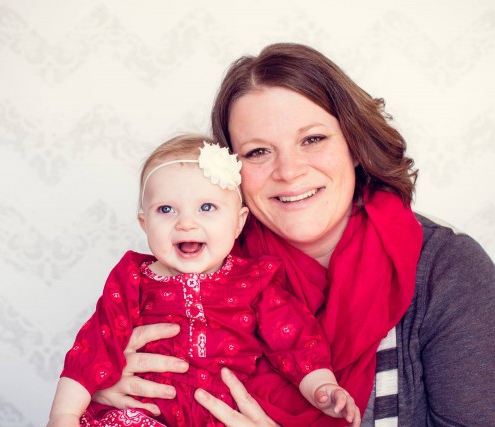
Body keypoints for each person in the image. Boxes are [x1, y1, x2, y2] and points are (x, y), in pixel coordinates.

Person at [87, 43, 495, 426]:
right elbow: (96, 367)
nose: (288, 171)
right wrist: (102, 383)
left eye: (312, 139)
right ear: (228, 172)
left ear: (354, 144)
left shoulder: (446, 269)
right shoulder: (192, 266)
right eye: (258, 152)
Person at [47, 135, 361, 427]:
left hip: (220, 416)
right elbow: (93, 346)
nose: (186, 223)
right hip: (144, 414)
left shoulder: (254, 282)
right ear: (144, 223)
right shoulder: (133, 278)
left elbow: (294, 340)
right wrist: (63, 415)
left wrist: (322, 386)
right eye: (166, 209)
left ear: (238, 223)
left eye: (206, 207)